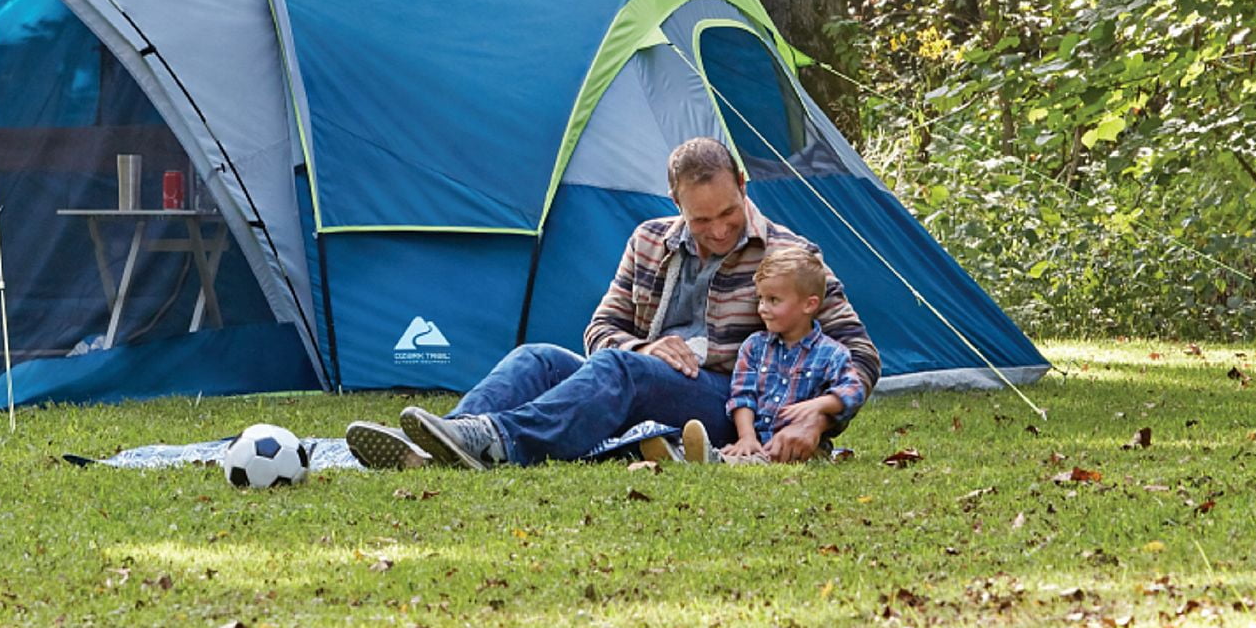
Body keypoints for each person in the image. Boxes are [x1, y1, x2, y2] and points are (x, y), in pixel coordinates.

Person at [344, 137, 879, 470]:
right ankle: (446, 441)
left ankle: (501, 439)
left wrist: (820, 420)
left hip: (727, 400)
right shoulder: (649, 240)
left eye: (728, 214)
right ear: (676, 204)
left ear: (742, 185)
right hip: (640, 371)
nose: (717, 230)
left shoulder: (789, 256)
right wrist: (648, 345)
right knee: (537, 357)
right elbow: (601, 328)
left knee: (622, 370)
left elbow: (859, 353)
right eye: (701, 219)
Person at [684, 247, 865, 464]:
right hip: (758, 442)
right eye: (760, 298)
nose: (762, 308)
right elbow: (742, 396)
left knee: (748, 460)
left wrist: (820, 405)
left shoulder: (832, 353)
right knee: (745, 452)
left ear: (809, 304)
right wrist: (747, 437)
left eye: (773, 300)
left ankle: (707, 458)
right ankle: (678, 449)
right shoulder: (754, 347)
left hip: (799, 449)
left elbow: (853, 391)